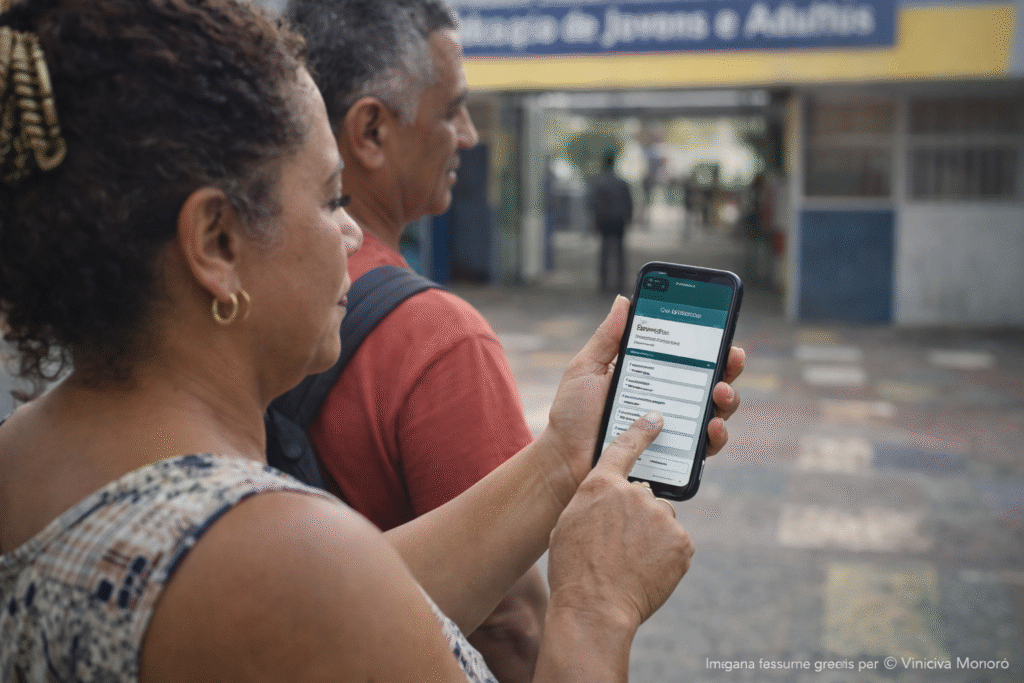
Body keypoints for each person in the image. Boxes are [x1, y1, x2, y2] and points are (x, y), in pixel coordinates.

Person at [0, 1, 746, 682]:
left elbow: (346, 598)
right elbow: (324, 591)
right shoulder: (288, 552)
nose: (352, 232)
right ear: (217, 240)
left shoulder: (22, 455)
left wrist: (560, 460)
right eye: (329, 199)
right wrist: (592, 612)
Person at [283, 3, 543, 679]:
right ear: (370, 130)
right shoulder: (440, 341)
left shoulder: (256, 295)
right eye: (453, 109)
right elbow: (513, 626)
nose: (470, 134)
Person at [587, 151, 634, 293]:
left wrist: (594, 220)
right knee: (619, 252)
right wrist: (628, 218)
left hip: (605, 220)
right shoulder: (621, 182)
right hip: (618, 220)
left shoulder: (599, 183)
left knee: (605, 251)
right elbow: (628, 202)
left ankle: (604, 281)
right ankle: (620, 281)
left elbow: (594, 204)